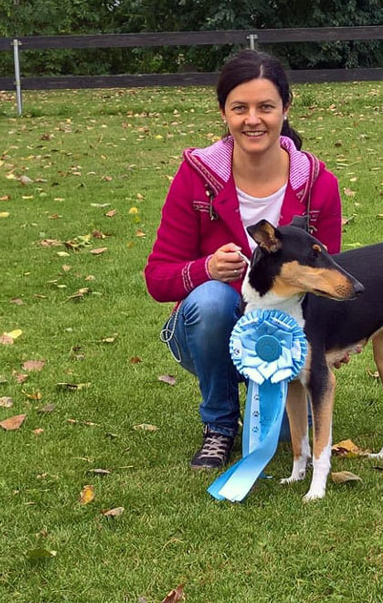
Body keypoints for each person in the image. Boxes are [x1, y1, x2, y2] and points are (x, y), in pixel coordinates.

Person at [144, 49, 342, 469]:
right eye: (240, 108)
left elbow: (326, 277)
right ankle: (219, 425)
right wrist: (206, 269)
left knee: (285, 433)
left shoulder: (319, 184)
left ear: (286, 108)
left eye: (266, 107)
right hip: (208, 331)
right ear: (224, 112)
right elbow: (157, 278)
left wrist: (338, 336)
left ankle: (270, 393)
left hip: (289, 337)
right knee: (212, 299)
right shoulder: (195, 177)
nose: (253, 120)